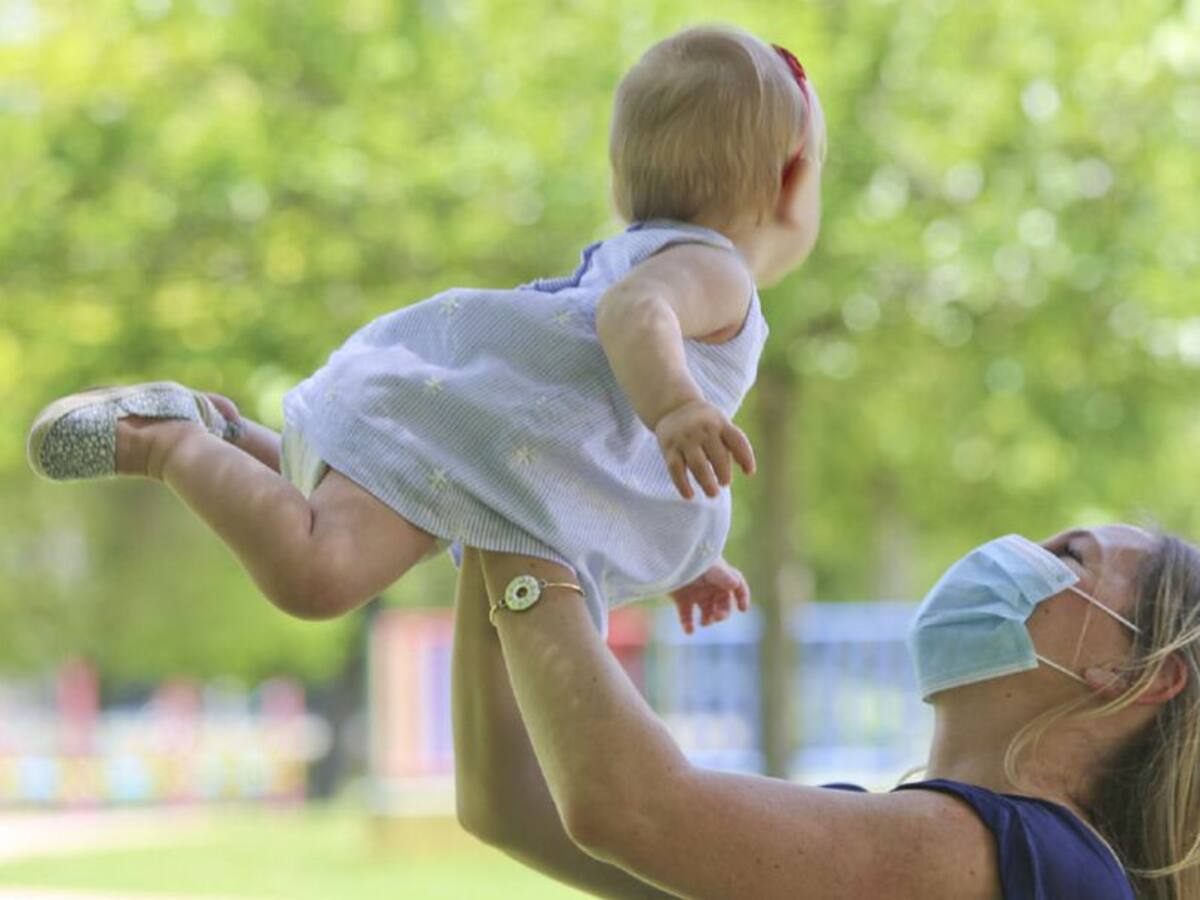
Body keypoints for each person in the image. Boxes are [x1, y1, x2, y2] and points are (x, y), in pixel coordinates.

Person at [24, 24, 824, 637]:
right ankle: (165, 441)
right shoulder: (714, 272)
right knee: (317, 575)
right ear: (789, 184)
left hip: (460, 432)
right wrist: (680, 408)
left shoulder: (643, 253)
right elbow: (633, 321)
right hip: (464, 438)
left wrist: (680, 557)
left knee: (344, 502)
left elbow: (605, 452)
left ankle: (228, 434)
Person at [457, 526, 1200, 899]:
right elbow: (510, 805)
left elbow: (633, 809)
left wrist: (523, 496)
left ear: (1137, 674)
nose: (1012, 557)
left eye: (1069, 556)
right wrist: (501, 516)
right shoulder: (954, 846)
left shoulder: (1025, 856)